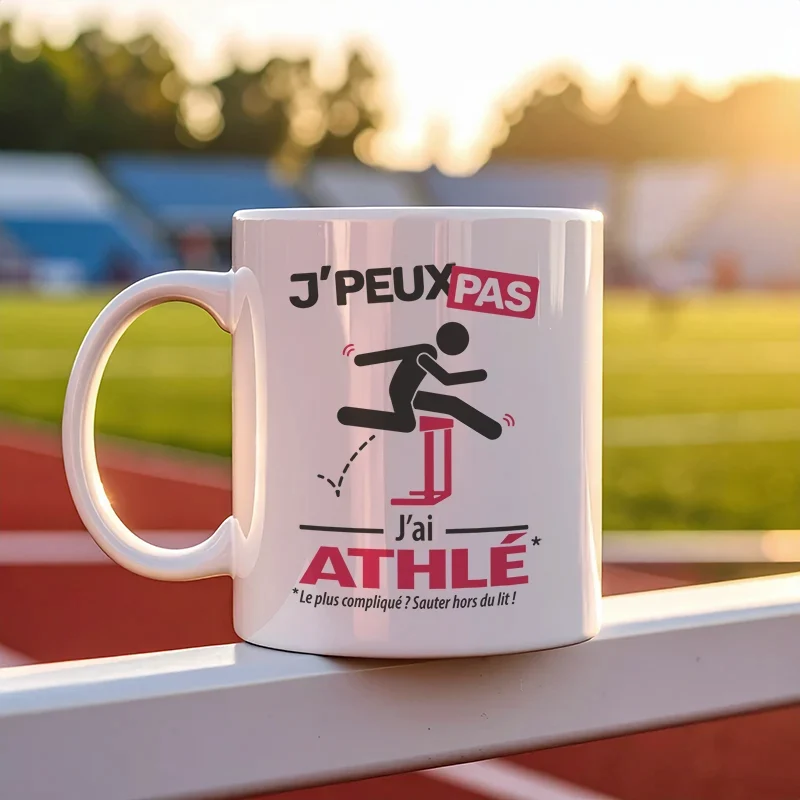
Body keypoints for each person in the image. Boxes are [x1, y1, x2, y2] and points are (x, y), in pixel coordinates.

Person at [337, 322, 502, 440]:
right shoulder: (425, 354)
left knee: (451, 403)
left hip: (412, 393)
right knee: (407, 423)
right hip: (402, 394)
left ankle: (490, 428)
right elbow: (446, 379)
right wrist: (477, 375)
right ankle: (354, 416)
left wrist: (363, 359)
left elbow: (393, 354)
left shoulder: (424, 349)